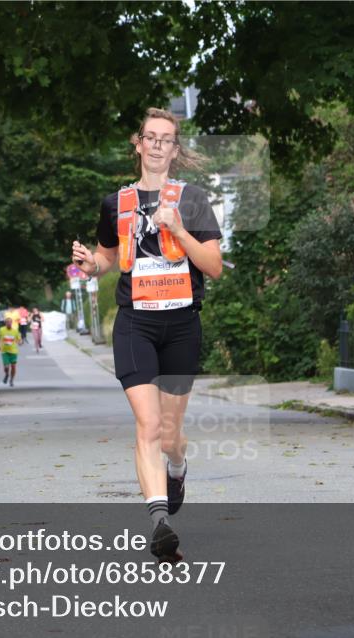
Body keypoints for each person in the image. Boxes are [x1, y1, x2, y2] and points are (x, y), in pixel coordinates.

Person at [71, 107, 223, 563]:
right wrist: (87, 264)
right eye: (150, 137)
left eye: (167, 139)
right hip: (134, 321)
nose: (157, 145)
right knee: (148, 424)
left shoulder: (192, 200)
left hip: (180, 323)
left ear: (175, 150)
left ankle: (177, 468)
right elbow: (105, 259)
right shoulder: (114, 204)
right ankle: (159, 521)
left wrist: (178, 228)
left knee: (172, 434)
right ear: (138, 144)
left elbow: (213, 267)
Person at [0, 313, 20, 386]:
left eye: (10, 322)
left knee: (13, 367)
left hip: (13, 351)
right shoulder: (2, 330)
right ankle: (7, 374)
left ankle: (11, 380)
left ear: (12, 323)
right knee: (6, 367)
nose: (9, 323)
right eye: (8, 322)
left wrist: (20, 342)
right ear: (5, 323)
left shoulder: (15, 331)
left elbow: (19, 339)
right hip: (4, 351)